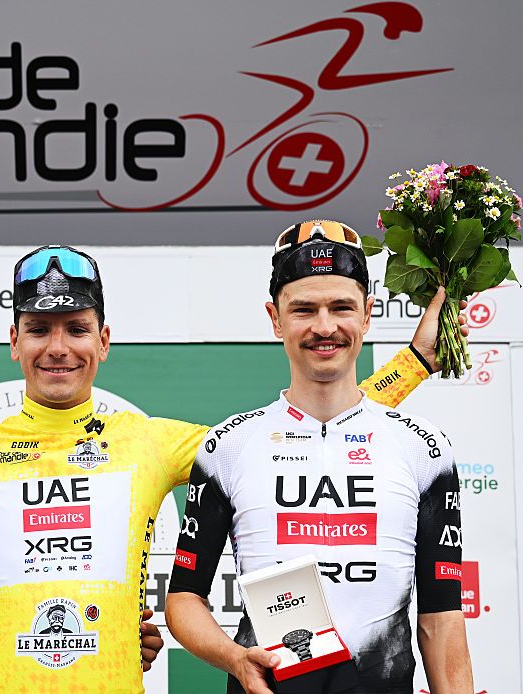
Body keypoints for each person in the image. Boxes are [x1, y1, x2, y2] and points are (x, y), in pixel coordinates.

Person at [0, 242, 458, 693]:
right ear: (13, 341)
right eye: (38, 329)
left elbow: (292, 432)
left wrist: (412, 364)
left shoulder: (149, 442)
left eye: (76, 328)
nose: (58, 348)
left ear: (104, 340)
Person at [166, 221, 473, 693]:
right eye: (304, 309)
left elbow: (442, 618)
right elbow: (184, 598)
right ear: (275, 317)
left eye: (341, 308)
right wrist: (234, 658)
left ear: (368, 314)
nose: (324, 327)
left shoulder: (425, 449)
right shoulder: (229, 445)